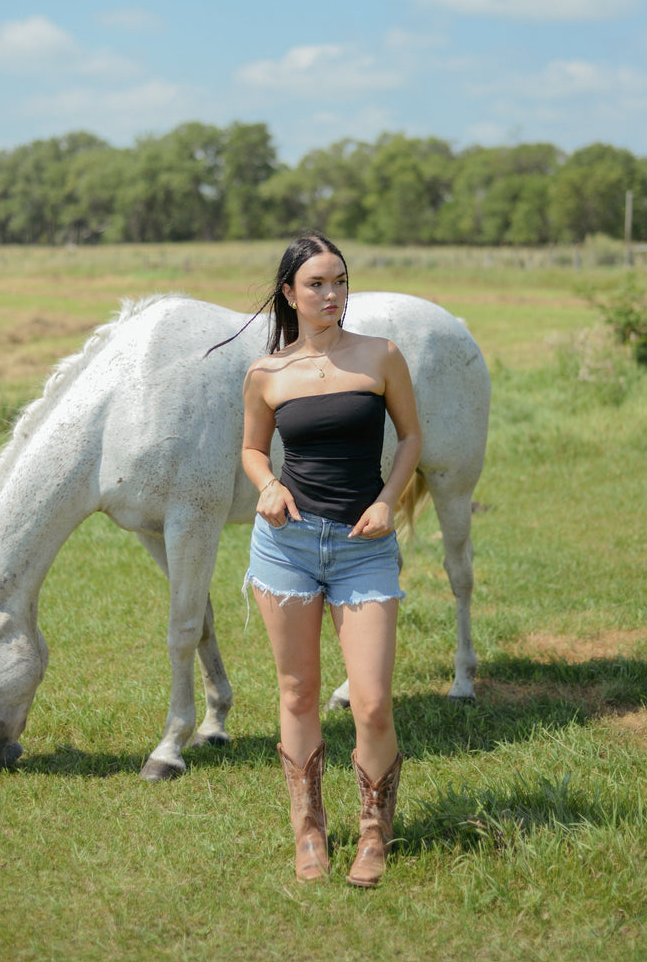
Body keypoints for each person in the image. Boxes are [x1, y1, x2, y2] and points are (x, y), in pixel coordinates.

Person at [238, 232, 422, 887]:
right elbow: (253, 450)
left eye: (339, 280)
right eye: (316, 283)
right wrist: (267, 484)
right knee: (298, 690)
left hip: (363, 546)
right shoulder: (267, 373)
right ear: (290, 292)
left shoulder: (380, 356)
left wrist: (387, 501)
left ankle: (374, 830)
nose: (331, 294)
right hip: (286, 546)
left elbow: (411, 437)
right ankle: (309, 829)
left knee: (371, 702)